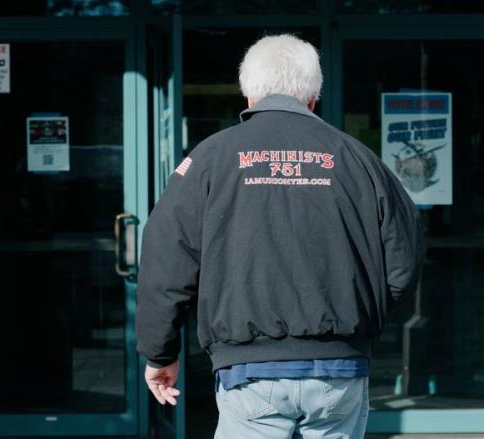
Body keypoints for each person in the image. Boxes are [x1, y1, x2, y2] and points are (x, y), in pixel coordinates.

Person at [135, 34, 426, 438]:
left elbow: (166, 261)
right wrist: (358, 320)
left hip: (249, 375)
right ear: (313, 98)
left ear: (248, 94)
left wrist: (160, 352)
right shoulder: (358, 159)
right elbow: (404, 258)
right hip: (340, 370)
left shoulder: (209, 159)